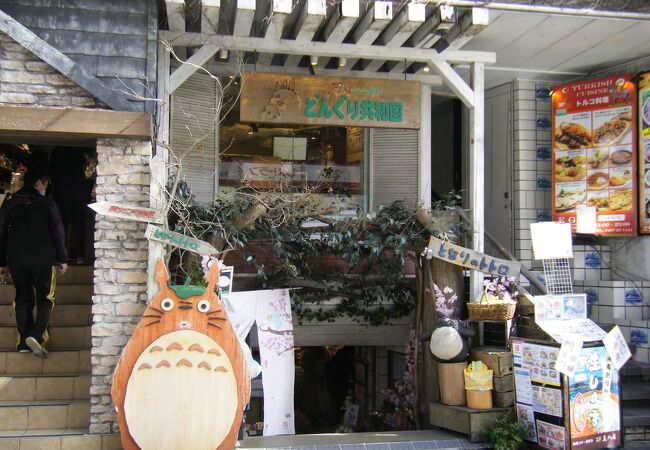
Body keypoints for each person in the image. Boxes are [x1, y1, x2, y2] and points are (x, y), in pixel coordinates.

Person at [0, 166, 68, 358]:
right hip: (43, 259)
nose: (45, 187)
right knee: (45, 297)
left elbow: (1, 233)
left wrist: (2, 262)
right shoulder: (48, 204)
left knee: (22, 298)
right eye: (44, 183)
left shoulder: (10, 204)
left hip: (16, 259)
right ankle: (36, 335)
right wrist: (62, 258)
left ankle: (23, 341)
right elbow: (57, 231)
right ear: (38, 183)